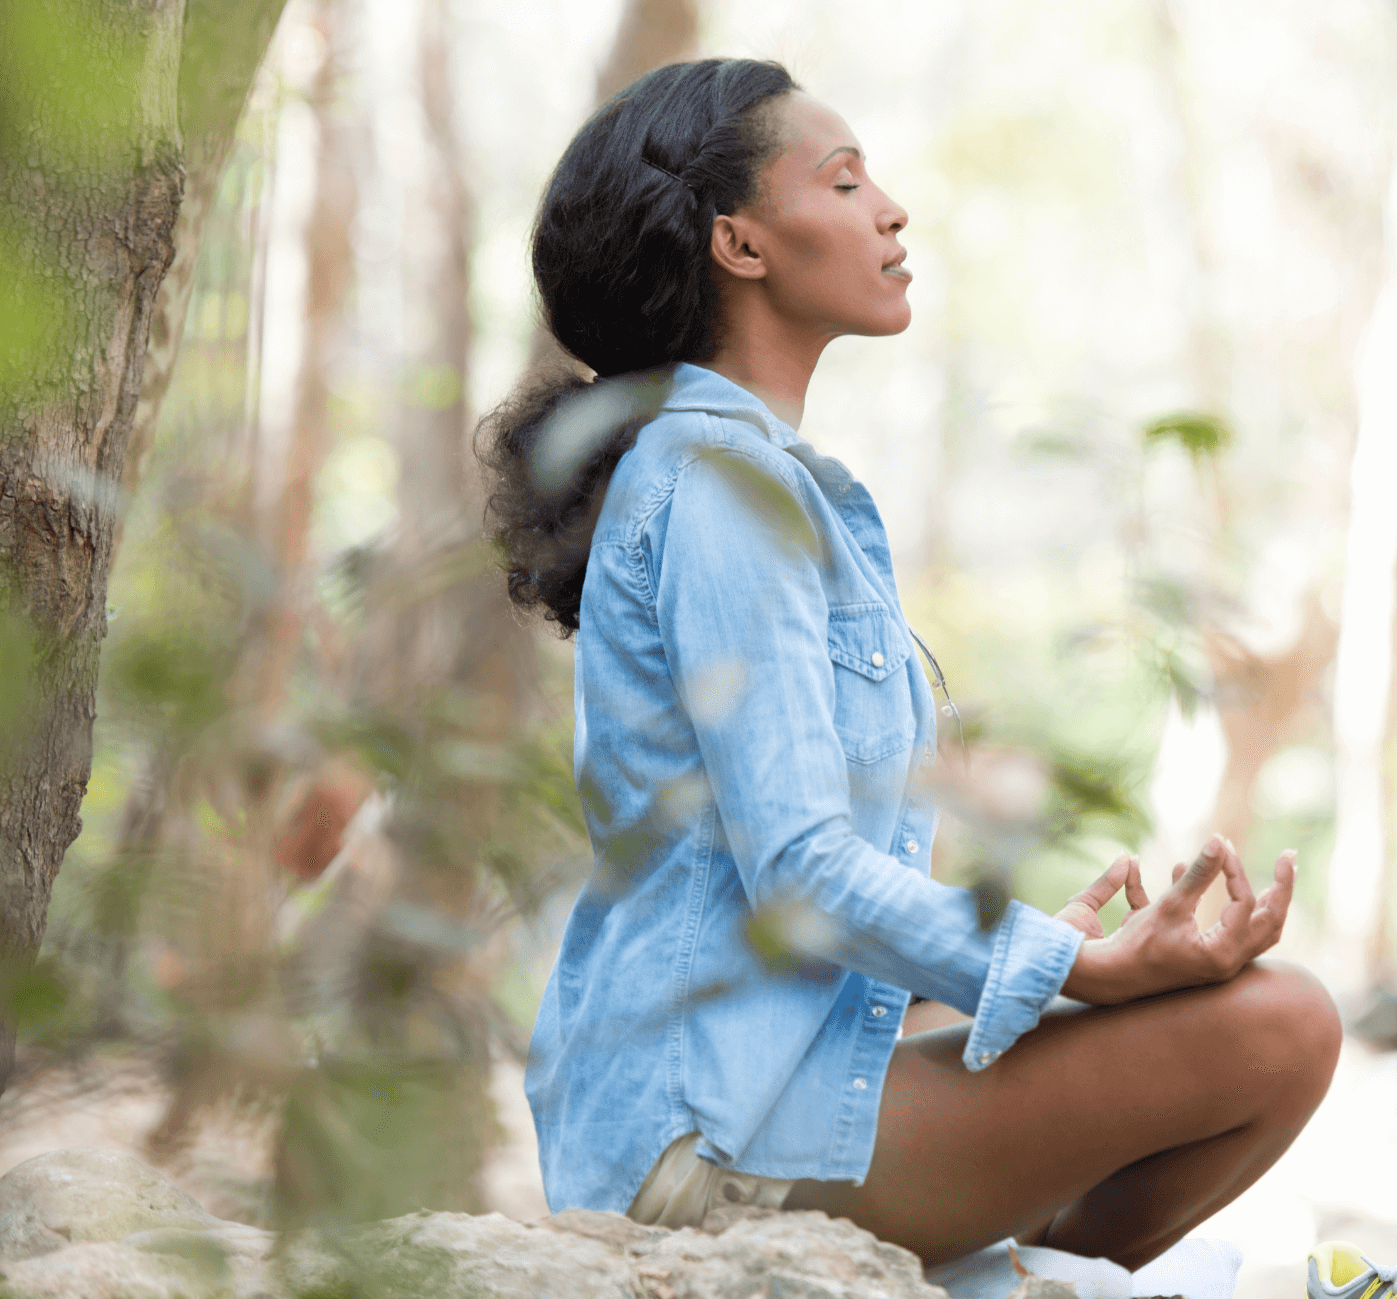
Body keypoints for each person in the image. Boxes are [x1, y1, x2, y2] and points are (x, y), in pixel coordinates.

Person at [482, 58, 1342, 1271]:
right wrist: (1077, 970)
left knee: (1189, 1016)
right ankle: (1040, 1273)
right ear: (739, 243)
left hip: (769, 1068)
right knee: (1281, 1029)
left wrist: (1070, 971)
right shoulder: (718, 487)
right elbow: (796, 869)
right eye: (842, 181)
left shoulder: (748, 478)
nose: (890, 209)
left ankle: (1023, 1269)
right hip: (707, 1133)